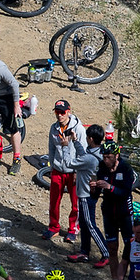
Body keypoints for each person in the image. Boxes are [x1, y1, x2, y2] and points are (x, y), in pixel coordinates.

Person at [92, 145, 136, 280]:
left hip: (124, 212)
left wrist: (110, 187)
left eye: (108, 157)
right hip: (109, 212)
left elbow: (125, 192)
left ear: (116, 155)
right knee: (112, 248)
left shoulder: (126, 169)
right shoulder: (102, 169)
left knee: (130, 246)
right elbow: (96, 193)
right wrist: (93, 187)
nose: (106, 160)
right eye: (104, 157)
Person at [67, 124, 111, 267]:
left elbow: (70, 163)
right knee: (85, 224)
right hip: (90, 194)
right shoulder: (97, 153)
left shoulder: (90, 159)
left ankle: (106, 254)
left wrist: (65, 146)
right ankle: (84, 252)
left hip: (86, 195)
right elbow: (84, 154)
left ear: (91, 139)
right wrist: (75, 141)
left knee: (90, 224)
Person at [45, 100, 87, 242]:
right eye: (57, 112)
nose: (59, 115)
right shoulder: (53, 128)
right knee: (54, 201)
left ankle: (73, 230)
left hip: (73, 172)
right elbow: (51, 148)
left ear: (68, 112)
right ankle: (53, 227)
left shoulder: (79, 129)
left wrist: (78, 171)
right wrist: (52, 167)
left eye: (62, 112)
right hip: (58, 169)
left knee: (75, 203)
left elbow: (83, 152)